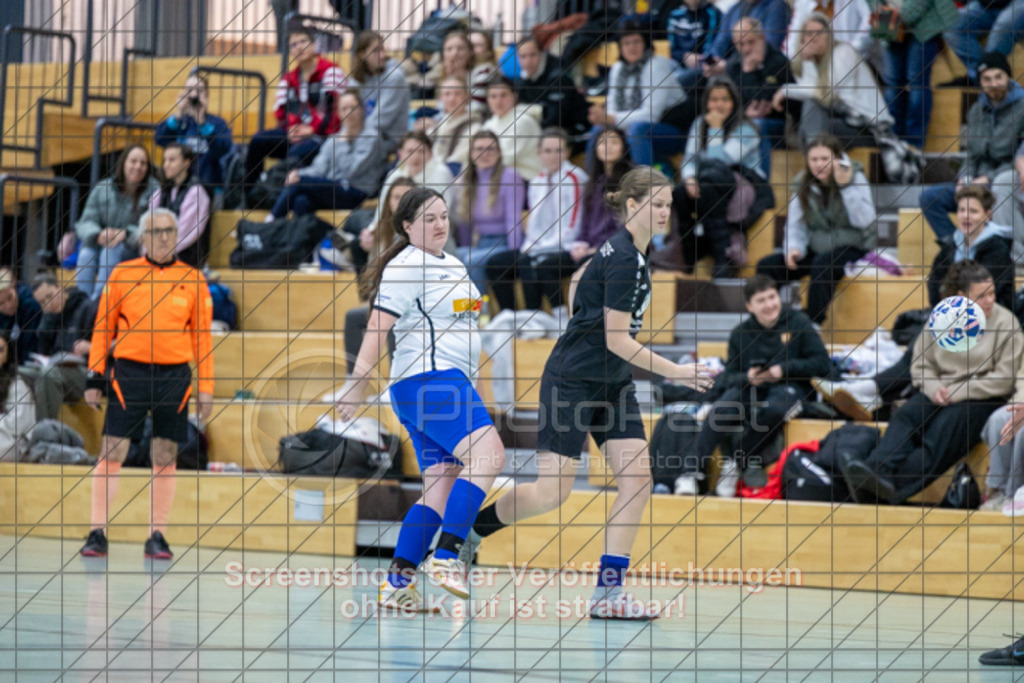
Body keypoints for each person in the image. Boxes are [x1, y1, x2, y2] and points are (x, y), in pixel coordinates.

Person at [468, 167, 713, 620]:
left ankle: (608, 594)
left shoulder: (628, 255)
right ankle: (471, 532)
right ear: (633, 205)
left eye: (667, 204)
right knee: (550, 494)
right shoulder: (622, 257)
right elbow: (618, 338)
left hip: (612, 384)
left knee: (637, 482)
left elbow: (583, 280)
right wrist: (678, 370)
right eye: (656, 203)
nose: (664, 212)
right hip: (573, 381)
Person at [335, 187, 506, 610]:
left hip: (449, 383)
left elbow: (470, 336)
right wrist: (356, 385)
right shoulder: (406, 266)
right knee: (489, 456)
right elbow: (376, 328)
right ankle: (447, 556)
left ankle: (397, 583)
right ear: (407, 226)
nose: (439, 224)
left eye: (444, 215)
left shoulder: (455, 264)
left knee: (440, 486)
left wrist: (481, 389)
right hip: (428, 381)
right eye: (428, 218)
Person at [79, 208, 214, 560]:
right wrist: (94, 376)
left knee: (165, 454)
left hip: (175, 378)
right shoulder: (123, 274)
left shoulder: (194, 279)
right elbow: (102, 329)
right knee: (112, 450)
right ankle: (97, 533)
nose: (164, 237)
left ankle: (157, 536)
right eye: (156, 231)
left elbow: (202, 338)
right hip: (129, 374)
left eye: (169, 230)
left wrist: (207, 387)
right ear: (143, 237)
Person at [839, 261, 1022, 505]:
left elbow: (1005, 378)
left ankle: (888, 492)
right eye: (981, 296)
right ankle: (874, 472)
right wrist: (934, 388)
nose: (989, 301)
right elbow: (920, 365)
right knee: (906, 416)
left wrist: (958, 391)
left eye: (991, 294)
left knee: (939, 434)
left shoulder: (1006, 323)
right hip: (939, 390)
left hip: (982, 397)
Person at [674, 275, 830, 496]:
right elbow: (728, 376)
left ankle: (734, 465)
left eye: (772, 297)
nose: (769, 305)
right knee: (723, 407)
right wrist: (749, 377)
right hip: (752, 388)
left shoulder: (799, 323)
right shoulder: (740, 333)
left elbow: (822, 363)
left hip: (789, 387)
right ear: (749, 306)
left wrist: (783, 370)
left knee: (775, 410)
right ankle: (689, 473)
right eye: (761, 300)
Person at [756, 134, 876, 325]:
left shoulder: (855, 176)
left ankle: (813, 325)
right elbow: (795, 224)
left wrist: (846, 187)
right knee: (768, 266)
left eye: (824, 159)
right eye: (814, 159)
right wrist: (793, 248)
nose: (819, 164)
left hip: (853, 247)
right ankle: (769, 321)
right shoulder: (802, 182)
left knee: (823, 264)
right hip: (818, 247)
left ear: (837, 159)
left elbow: (865, 221)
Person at [922, 53, 1024, 252]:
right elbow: (970, 154)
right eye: (987, 79)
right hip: (977, 183)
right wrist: (965, 177)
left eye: (998, 77)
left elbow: (1020, 155)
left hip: (1007, 178)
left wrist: (988, 178)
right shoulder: (976, 110)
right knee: (930, 198)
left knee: (1003, 182)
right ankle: (957, 250)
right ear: (980, 83)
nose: (993, 83)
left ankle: (1011, 255)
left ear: (1008, 78)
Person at [486, 128, 588, 314]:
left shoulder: (575, 178)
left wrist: (542, 248)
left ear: (567, 152)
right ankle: (509, 315)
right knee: (496, 264)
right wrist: (530, 246)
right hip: (539, 244)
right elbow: (534, 223)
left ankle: (538, 315)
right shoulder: (536, 181)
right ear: (539, 153)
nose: (553, 156)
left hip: (566, 245)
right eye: (547, 151)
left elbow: (575, 222)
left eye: (558, 150)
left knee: (532, 262)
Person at [674, 78, 762, 277]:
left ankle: (723, 257)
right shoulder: (699, 124)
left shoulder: (747, 129)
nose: (719, 104)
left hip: (743, 184)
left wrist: (715, 128)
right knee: (679, 194)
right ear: (706, 102)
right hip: (707, 183)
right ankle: (688, 254)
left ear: (734, 102)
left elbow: (720, 162)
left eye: (725, 99)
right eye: (714, 99)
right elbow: (689, 160)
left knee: (713, 183)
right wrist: (688, 178)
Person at [242, 26, 347, 194]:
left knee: (296, 152)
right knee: (258, 141)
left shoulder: (332, 71)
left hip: (324, 136)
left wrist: (311, 130)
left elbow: (334, 111)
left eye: (303, 42)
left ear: (314, 45)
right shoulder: (288, 78)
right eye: (293, 44)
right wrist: (293, 129)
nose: (299, 47)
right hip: (296, 134)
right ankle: (249, 195)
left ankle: (276, 194)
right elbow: (283, 113)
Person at [771, 14, 892, 149]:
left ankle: (813, 157)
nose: (814, 38)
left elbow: (826, 94)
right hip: (843, 122)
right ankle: (814, 156)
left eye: (820, 34)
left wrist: (786, 90)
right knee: (812, 111)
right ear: (802, 37)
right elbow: (811, 90)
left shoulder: (843, 53)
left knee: (814, 112)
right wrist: (807, 61)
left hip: (870, 129)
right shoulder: (810, 61)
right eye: (809, 33)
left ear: (829, 36)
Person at [268, 89, 386, 218]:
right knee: (301, 201)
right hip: (332, 189)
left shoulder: (372, 138)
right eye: (344, 109)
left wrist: (344, 142)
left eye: (353, 107)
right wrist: (298, 174)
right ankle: (306, 236)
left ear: (362, 110)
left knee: (300, 183)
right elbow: (319, 168)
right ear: (339, 113)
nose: (349, 112)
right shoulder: (334, 139)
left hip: (355, 192)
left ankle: (271, 221)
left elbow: (351, 171)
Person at [587, 18, 685, 168]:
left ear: (645, 43)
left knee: (636, 131)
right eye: (626, 43)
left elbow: (651, 116)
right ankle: (595, 186)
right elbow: (613, 106)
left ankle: (643, 186)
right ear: (620, 47)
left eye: (636, 42)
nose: (632, 47)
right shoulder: (618, 68)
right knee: (598, 131)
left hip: (669, 129)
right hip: (632, 126)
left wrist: (610, 118)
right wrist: (603, 118)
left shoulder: (656, 66)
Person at [343, 178, 418, 369]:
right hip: (389, 300)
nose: (401, 202)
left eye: (407, 197)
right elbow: (373, 276)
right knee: (353, 318)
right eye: (396, 197)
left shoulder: (423, 229)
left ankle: (396, 383)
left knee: (392, 317)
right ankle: (352, 380)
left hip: (417, 304)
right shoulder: (380, 232)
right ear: (388, 202)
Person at [75, 144, 160, 301]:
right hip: (101, 242)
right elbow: (86, 221)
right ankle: (82, 303)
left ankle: (99, 303)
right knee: (86, 254)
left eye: (143, 163)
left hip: (132, 248)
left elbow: (152, 226)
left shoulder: (154, 190)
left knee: (111, 250)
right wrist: (97, 234)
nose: (138, 167)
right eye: (133, 161)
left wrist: (125, 233)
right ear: (123, 163)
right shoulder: (102, 188)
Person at [452, 130, 526, 293]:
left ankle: (478, 311)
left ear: (499, 153)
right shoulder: (467, 179)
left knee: (472, 260)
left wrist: (514, 254)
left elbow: (513, 218)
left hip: (505, 243)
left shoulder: (510, 177)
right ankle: (456, 309)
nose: (484, 154)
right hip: (482, 243)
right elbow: (465, 224)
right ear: (471, 154)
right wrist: (467, 247)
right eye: (479, 149)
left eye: (490, 149)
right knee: (453, 257)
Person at [878, 0, 958, 148]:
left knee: (917, 83)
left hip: (924, 23)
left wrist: (901, 17)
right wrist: (883, 13)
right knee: (892, 84)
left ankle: (914, 144)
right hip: (889, 20)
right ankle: (892, 140)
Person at [928, 185, 1014, 312]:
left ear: (987, 215)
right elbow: (934, 288)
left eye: (973, 211)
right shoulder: (949, 246)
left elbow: (984, 294)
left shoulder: (998, 249)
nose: (965, 216)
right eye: (961, 210)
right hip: (950, 315)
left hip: (991, 316)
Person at [725, 17, 792, 176]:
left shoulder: (778, 61)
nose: (747, 48)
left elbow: (766, 99)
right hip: (743, 120)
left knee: (756, 125)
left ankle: (760, 182)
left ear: (762, 38)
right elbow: (731, 100)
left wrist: (749, 73)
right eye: (741, 44)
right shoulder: (733, 65)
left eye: (751, 42)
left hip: (779, 123)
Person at [25, 273, 95, 421]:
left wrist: (87, 349)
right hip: (57, 371)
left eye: (50, 296)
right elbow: (43, 352)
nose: (48, 304)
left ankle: (46, 431)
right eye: (42, 302)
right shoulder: (49, 317)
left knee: (47, 373)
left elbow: (101, 349)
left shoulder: (86, 308)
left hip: (87, 373)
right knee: (21, 374)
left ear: (60, 287)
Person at [154, 73, 234, 187]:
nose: (194, 95)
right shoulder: (179, 122)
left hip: (209, 187)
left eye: (199, 91)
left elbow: (222, 149)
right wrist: (178, 114)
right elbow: (159, 139)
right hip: (178, 186)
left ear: (207, 96)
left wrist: (202, 123)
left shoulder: (217, 123)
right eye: (189, 90)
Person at [514, 37, 590, 150]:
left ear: (542, 54)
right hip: (542, 132)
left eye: (533, 55)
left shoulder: (558, 77)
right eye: (523, 56)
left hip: (572, 131)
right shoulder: (522, 80)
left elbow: (555, 119)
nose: (528, 61)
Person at [574, 127, 634, 265]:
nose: (608, 147)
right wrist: (581, 243)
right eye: (603, 143)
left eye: (614, 142)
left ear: (623, 147)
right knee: (543, 266)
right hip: (594, 247)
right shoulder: (595, 182)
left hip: (621, 248)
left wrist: (599, 247)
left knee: (587, 263)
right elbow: (586, 222)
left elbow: (627, 227)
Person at [347, 30, 410, 157]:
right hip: (363, 136)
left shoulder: (394, 77)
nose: (383, 55)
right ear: (362, 54)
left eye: (383, 49)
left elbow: (380, 121)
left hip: (389, 140)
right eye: (376, 51)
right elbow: (347, 116)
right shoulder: (355, 82)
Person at [150, 143, 211, 268]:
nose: (166, 165)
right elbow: (148, 225)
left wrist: (160, 253)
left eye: (172, 160)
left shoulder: (197, 192)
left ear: (186, 163)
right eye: (165, 160)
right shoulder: (160, 192)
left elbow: (186, 234)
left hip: (186, 259)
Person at [376, 132, 456, 226]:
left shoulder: (441, 173)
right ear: (400, 154)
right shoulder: (395, 175)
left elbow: (443, 214)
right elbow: (382, 208)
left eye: (421, 151)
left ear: (431, 154)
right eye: (410, 151)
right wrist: (372, 230)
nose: (415, 157)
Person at [943, 0, 1024, 87]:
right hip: (985, 4)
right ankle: (980, 75)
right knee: (951, 24)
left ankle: (994, 80)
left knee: (1004, 26)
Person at [481, 75, 543, 181]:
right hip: (500, 177)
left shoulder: (523, 121)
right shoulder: (489, 124)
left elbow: (504, 159)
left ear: (514, 96)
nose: (498, 101)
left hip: (527, 179)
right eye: (493, 96)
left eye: (503, 95)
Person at [423, 76, 483, 172]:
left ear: (467, 97)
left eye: (457, 94)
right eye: (447, 94)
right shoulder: (439, 123)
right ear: (440, 98)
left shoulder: (474, 128)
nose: (452, 98)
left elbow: (456, 164)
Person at [785, 0, 874, 62]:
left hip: (855, 59)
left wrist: (850, 51)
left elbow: (870, 23)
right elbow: (794, 35)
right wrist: (794, 56)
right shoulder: (804, 3)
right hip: (817, 63)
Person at [706, 0, 791, 63]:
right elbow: (721, 42)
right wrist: (713, 60)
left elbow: (769, 45)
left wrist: (728, 65)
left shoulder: (777, 6)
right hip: (732, 67)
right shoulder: (734, 9)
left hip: (761, 67)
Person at [663, 0, 723, 90]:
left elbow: (712, 44)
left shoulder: (713, 13)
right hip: (678, 64)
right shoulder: (675, 15)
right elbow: (671, 48)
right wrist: (684, 56)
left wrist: (701, 58)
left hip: (702, 64)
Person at [0, 331, 34, 462]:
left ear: (7, 357)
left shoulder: (17, 384)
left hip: (12, 441)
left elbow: (17, 425)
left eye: (0, 351)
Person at [0, 268, 44, 364]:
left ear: (13, 286)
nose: (8, 305)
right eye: (1, 304)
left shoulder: (31, 304)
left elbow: (30, 347)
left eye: (10, 297)